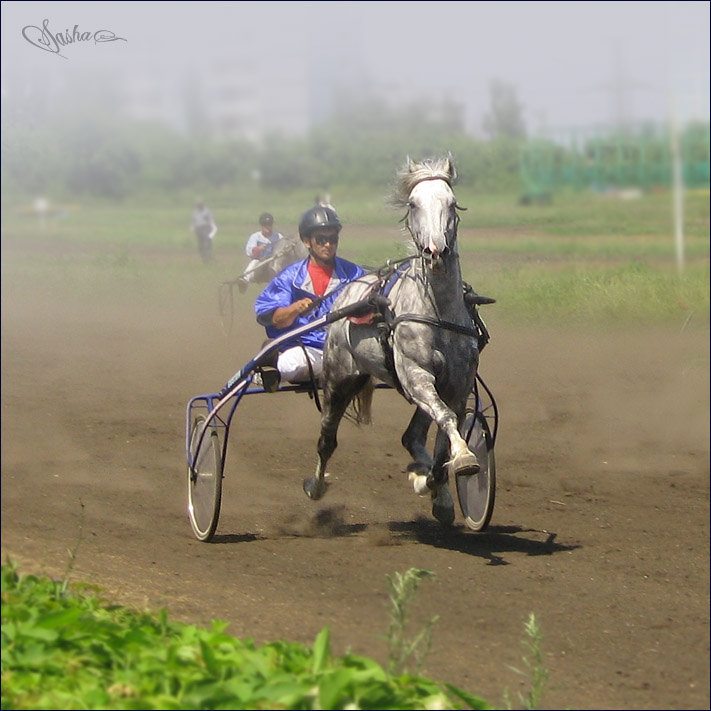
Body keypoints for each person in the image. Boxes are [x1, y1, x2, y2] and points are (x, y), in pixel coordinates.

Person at [253, 205, 365, 391]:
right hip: (308, 348)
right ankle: (269, 368)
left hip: (347, 348)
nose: (328, 245)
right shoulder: (290, 278)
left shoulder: (354, 273)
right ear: (307, 241)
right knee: (294, 364)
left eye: (332, 239)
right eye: (321, 240)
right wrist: (295, 308)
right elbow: (275, 320)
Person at [237, 212, 284, 293]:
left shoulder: (278, 236)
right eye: (265, 225)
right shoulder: (255, 236)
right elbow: (249, 251)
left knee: (279, 267)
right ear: (262, 226)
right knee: (253, 263)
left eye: (269, 225)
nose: (268, 227)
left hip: (273, 261)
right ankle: (245, 280)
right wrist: (258, 249)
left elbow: (284, 247)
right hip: (260, 261)